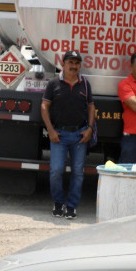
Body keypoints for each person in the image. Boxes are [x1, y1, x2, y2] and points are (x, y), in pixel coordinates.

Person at [41, 51, 95, 219]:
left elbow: (92, 106)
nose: (74, 66)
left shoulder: (85, 84)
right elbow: (44, 107)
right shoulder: (53, 83)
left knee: (78, 172)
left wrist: (90, 129)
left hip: (79, 135)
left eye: (77, 63)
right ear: (62, 64)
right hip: (59, 135)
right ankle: (58, 203)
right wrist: (50, 130)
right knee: (56, 171)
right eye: (70, 62)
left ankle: (71, 206)